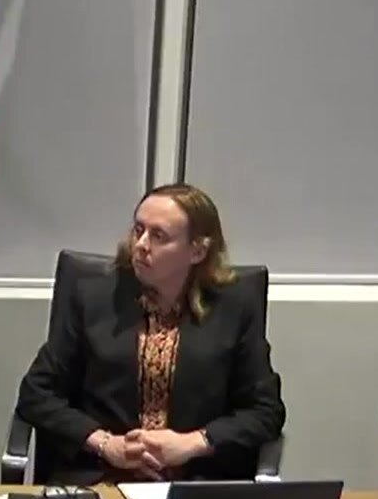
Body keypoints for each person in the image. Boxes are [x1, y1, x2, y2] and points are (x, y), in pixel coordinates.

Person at [14, 183, 286, 483]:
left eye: (159, 236)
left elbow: (265, 412)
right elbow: (36, 394)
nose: (141, 244)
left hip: (195, 483)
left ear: (197, 250)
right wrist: (107, 444)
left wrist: (193, 443)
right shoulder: (94, 297)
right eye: (138, 230)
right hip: (101, 478)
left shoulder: (234, 308)